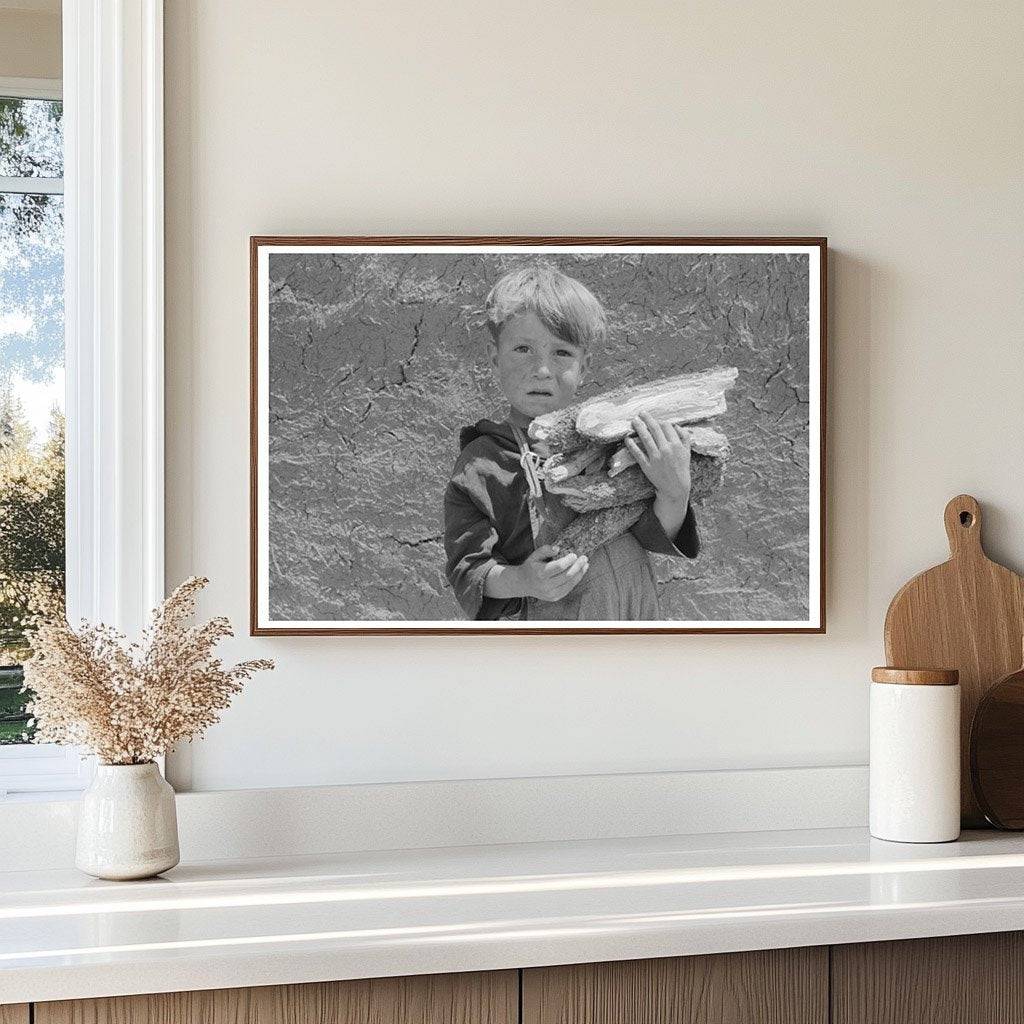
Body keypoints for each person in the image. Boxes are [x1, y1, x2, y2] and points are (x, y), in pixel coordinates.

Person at [443, 264, 700, 621]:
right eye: (523, 349)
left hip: (634, 622)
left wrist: (675, 492)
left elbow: (652, 534)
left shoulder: (613, 442)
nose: (542, 370)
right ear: (494, 358)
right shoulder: (482, 462)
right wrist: (522, 580)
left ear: (585, 366)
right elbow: (468, 572)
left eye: (562, 353)